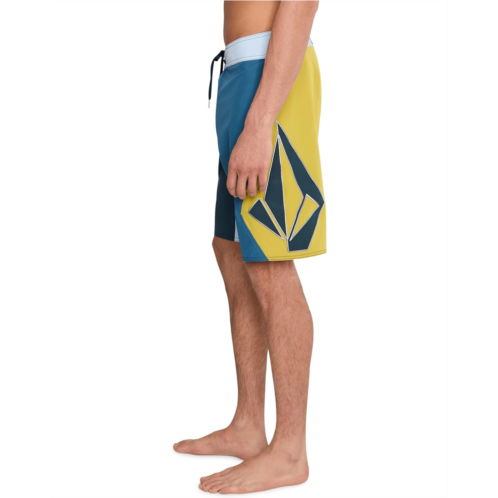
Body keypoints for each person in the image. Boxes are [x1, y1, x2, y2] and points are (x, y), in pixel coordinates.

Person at [174, 0, 325, 494]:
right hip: (243, 73)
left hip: (269, 79)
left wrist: (260, 122)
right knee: (232, 250)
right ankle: (248, 424)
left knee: (271, 264)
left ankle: (290, 451)